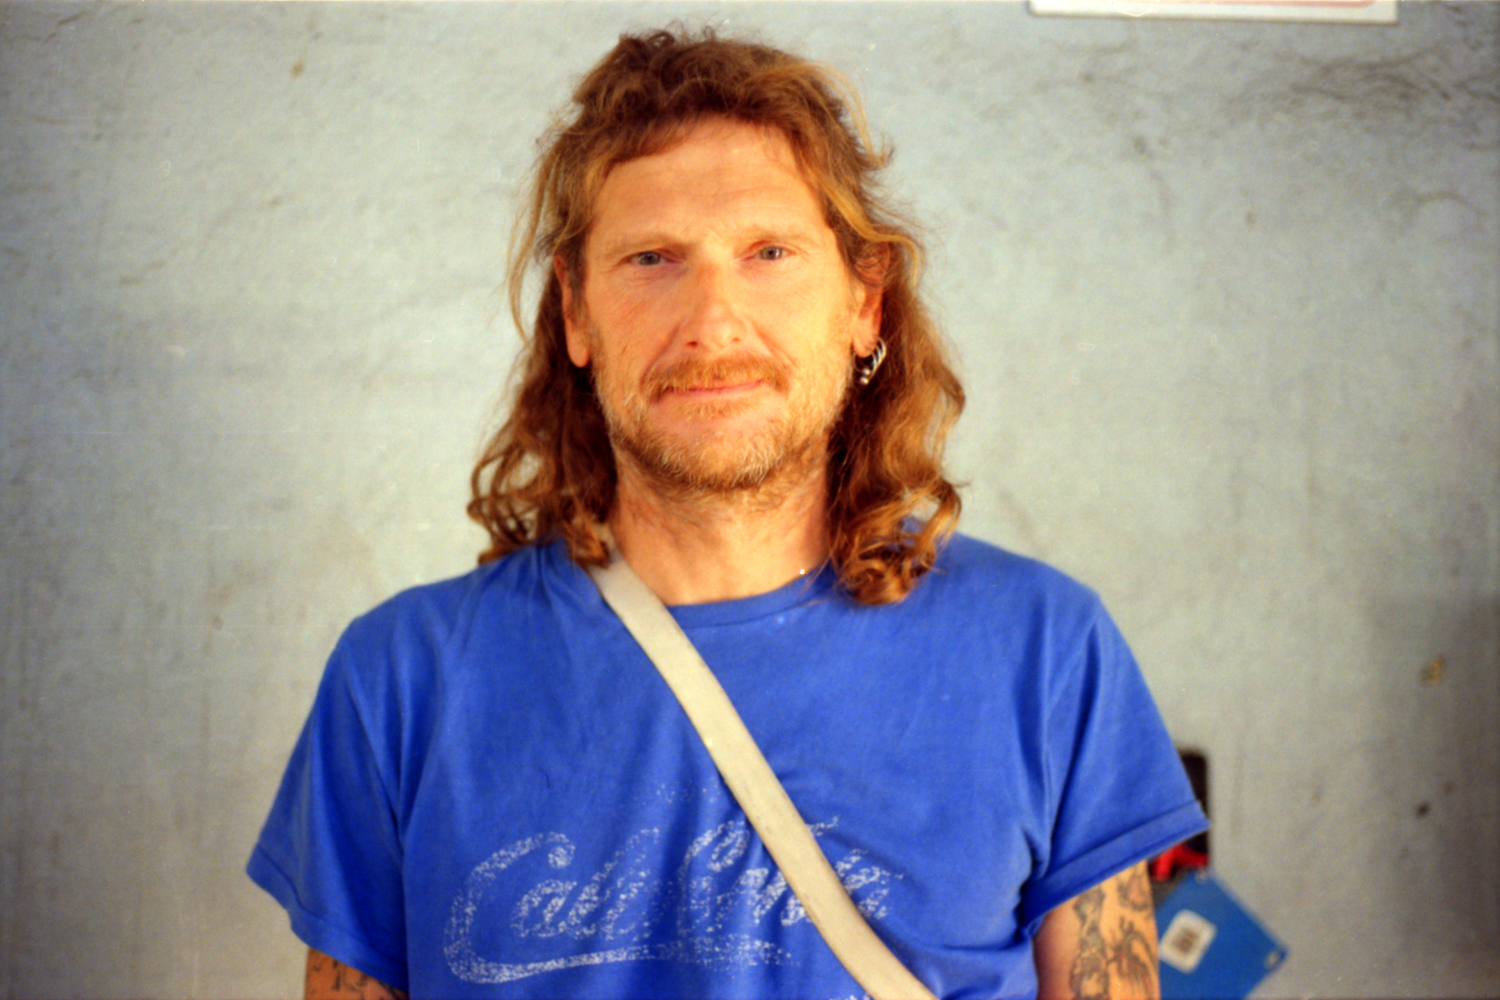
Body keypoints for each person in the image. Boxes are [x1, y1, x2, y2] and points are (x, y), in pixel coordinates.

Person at [248, 26, 1207, 1000]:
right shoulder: (401, 682)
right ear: (575, 311)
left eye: (769, 251)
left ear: (865, 302)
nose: (712, 320)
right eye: (652, 258)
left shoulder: (1046, 656)